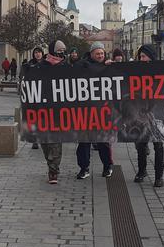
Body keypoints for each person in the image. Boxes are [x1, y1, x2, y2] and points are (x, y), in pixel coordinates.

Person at [31, 40, 69, 184]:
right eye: (59, 50)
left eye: (63, 50)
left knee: (55, 141)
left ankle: (53, 171)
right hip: (43, 110)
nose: (61, 52)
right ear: (53, 50)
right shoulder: (42, 66)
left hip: (59, 112)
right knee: (45, 143)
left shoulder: (66, 66)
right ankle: (50, 162)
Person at [74, 41, 113, 179]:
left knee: (103, 141)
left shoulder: (108, 66)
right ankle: (84, 168)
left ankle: (107, 166)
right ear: (92, 54)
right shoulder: (83, 65)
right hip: (85, 111)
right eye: (98, 53)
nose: (100, 55)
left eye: (102, 53)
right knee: (84, 142)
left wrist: (110, 67)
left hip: (102, 111)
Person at [133, 44, 164, 187]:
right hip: (141, 113)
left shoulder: (160, 69)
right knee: (141, 145)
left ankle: (159, 176)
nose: (141, 59)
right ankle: (141, 171)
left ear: (151, 57)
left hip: (157, 112)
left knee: (158, 146)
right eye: (140, 57)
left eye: (144, 56)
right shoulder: (137, 70)